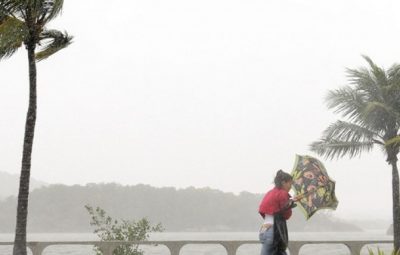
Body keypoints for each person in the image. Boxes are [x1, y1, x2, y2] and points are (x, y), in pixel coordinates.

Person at [258, 170, 302, 255]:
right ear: (283, 182)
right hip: (274, 231)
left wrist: (291, 200)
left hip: (264, 230)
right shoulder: (283, 194)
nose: (291, 186)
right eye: (290, 183)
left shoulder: (270, 193)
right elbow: (286, 215)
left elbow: (266, 209)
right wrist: (291, 202)